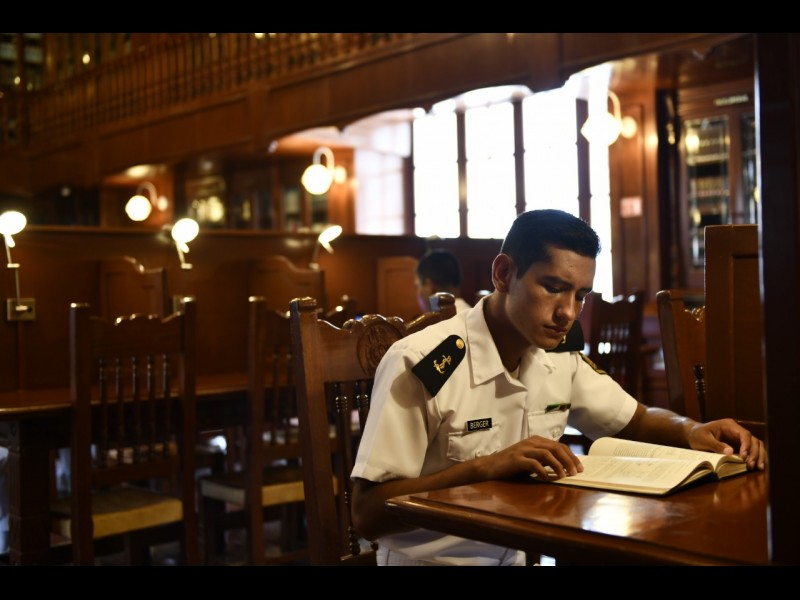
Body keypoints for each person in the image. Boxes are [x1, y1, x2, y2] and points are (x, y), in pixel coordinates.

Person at [351, 208, 767, 566]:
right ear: (503, 274)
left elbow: (635, 419)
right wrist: (485, 467)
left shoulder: (557, 356)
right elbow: (366, 513)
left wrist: (692, 430)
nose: (568, 312)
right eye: (553, 288)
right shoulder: (421, 362)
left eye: (581, 295)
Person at [414, 249, 472, 314]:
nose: (417, 294)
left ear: (429, 287)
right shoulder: (475, 314)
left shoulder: (442, 319)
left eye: (417, 286)